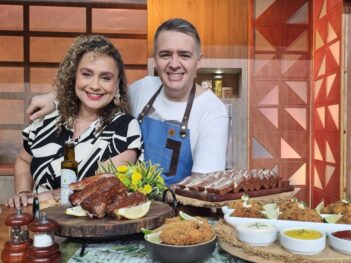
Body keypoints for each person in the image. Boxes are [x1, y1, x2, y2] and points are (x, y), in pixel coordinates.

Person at [25, 18, 228, 185]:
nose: (174, 64)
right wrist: (56, 97)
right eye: (165, 55)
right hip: (129, 211)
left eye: (184, 55)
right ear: (155, 59)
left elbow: (203, 184)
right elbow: (99, 93)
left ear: (199, 60)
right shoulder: (144, 88)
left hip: (180, 214)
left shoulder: (212, 110)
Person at [6, 35, 142, 208]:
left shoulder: (125, 128)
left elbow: (104, 186)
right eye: (86, 74)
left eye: (105, 78)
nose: (94, 85)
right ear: (74, 77)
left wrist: (49, 196)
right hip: (37, 224)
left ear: (117, 84)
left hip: (89, 229)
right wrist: (23, 194)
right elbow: (24, 161)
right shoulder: (47, 119)